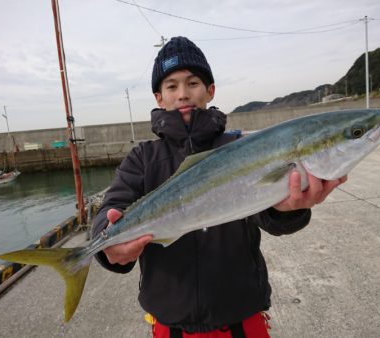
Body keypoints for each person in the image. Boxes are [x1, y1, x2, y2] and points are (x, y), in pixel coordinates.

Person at [92, 36, 347, 338]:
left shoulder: (242, 147)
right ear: (159, 97)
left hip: (242, 321)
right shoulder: (142, 159)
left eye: (193, 83)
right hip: (170, 325)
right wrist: (104, 243)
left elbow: (269, 215)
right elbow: (112, 206)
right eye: (171, 86)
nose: (183, 94)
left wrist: (288, 210)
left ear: (210, 90)